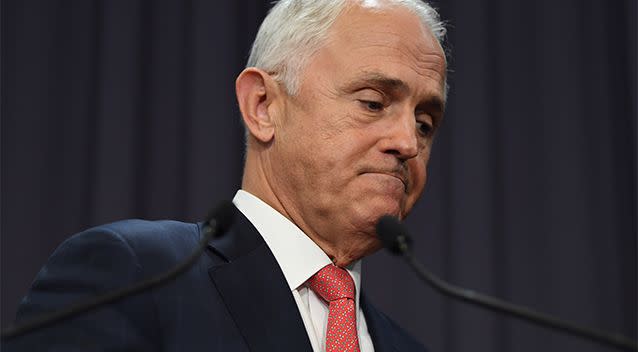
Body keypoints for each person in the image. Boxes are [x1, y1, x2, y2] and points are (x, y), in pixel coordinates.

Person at [7, 0, 447, 351]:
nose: (408, 143)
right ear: (263, 106)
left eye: (425, 124)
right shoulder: (133, 277)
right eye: (372, 103)